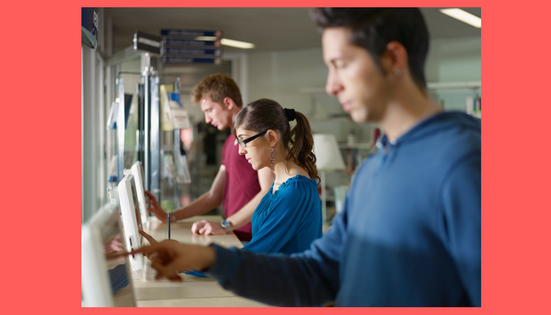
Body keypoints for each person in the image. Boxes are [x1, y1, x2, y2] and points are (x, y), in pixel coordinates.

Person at [124, 8, 481, 307]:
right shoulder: (376, 166)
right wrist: (208, 258)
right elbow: (320, 271)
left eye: (341, 64)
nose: (331, 85)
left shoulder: (466, 162)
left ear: (393, 58)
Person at [144, 74, 275, 242]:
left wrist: (225, 225)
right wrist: (170, 217)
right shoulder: (230, 141)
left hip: (253, 236)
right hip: (235, 233)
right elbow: (214, 195)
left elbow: (268, 191)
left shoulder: (253, 136)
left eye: (209, 110)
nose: (207, 119)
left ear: (227, 103)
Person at [231, 98, 322, 254]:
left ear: (271, 138)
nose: (240, 151)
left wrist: (195, 261)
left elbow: (254, 255)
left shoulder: (294, 191)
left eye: (244, 141)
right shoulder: (281, 182)